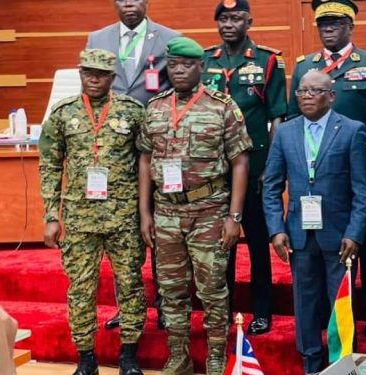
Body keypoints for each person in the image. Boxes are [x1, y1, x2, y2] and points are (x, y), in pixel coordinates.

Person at [136, 37, 251, 375]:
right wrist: (145, 212)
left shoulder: (222, 105)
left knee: (212, 287)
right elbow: (145, 159)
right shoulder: (155, 107)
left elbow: (240, 162)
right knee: (171, 288)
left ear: (201, 67)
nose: (180, 70)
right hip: (166, 212)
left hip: (209, 210)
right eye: (174, 65)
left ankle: (216, 354)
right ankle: (179, 354)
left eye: (187, 64)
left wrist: (234, 217)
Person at [39, 49, 146, 375]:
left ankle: (129, 355)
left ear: (113, 78)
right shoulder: (62, 114)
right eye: (88, 72)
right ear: (80, 73)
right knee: (81, 289)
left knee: (130, 285)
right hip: (80, 219)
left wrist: (146, 214)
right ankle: (86, 358)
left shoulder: (132, 112)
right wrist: (50, 215)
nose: (94, 79)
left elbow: (147, 164)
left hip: (123, 217)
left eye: (101, 74)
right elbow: (50, 165)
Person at [288, 0, 366, 337]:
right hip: (319, 172)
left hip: (358, 167)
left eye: (336, 23)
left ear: (350, 26)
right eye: (323, 23)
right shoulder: (305, 66)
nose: (328, 28)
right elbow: (293, 119)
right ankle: (321, 315)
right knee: (319, 246)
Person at [263, 70, 366, 375]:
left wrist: (355, 233)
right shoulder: (285, 132)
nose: (307, 96)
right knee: (305, 303)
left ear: (331, 95)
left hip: (340, 237)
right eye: (302, 92)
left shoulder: (352, 130)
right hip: (298, 234)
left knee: (341, 305)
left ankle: (342, 364)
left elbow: (362, 189)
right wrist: (276, 229)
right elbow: (271, 185)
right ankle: (310, 363)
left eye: (315, 91)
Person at [87, 0, 179, 331]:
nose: (130, 3)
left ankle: (166, 304)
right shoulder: (97, 38)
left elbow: (175, 91)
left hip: (157, 149)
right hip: (112, 151)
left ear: (147, 2)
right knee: (120, 231)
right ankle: (127, 305)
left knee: (162, 229)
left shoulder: (168, 38)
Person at [201, 0, 287, 336]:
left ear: (249, 22)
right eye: (223, 19)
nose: (229, 24)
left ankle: (262, 311)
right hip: (213, 172)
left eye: (236, 18)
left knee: (256, 246)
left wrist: (273, 168)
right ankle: (222, 311)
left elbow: (278, 117)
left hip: (255, 170)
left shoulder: (268, 61)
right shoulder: (206, 60)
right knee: (218, 247)